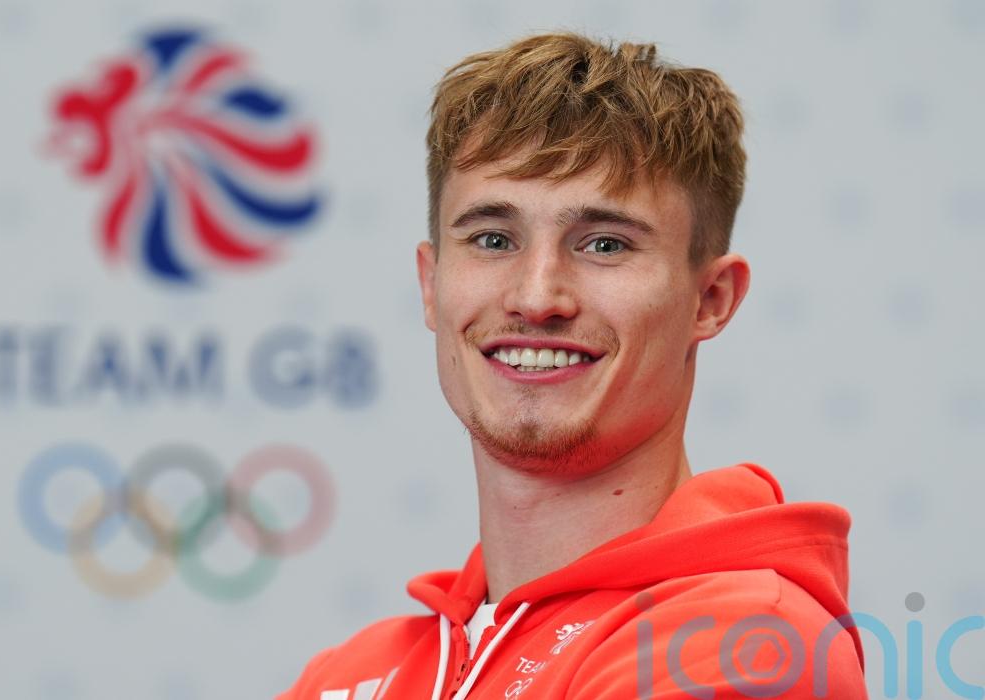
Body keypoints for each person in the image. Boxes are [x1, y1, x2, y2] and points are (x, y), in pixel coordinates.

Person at [279, 31, 868, 699]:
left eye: (605, 244)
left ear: (711, 300)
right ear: (431, 285)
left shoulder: (744, 644)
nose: (537, 298)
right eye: (493, 239)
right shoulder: (347, 676)